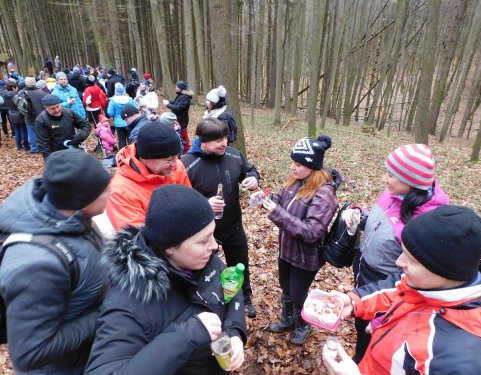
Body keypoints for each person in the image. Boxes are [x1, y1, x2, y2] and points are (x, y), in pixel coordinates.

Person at [86, 184, 246, 374]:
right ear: (169, 247)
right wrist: (186, 336)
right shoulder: (128, 301)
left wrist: (234, 331)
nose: (214, 246)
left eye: (212, 234)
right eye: (203, 240)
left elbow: (231, 289)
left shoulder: (203, 259)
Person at [322, 206, 481, 375]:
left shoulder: (458, 363)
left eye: (412, 260)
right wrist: (353, 301)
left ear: (444, 271)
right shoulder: (432, 282)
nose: (399, 262)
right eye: (403, 252)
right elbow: (399, 287)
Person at [0, 149, 111, 374]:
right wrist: (107, 314)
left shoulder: (75, 219)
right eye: (106, 191)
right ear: (82, 200)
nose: (112, 193)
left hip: (90, 356)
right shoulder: (37, 266)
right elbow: (30, 353)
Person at [342, 143, 449, 362]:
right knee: (362, 328)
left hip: (387, 285)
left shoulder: (427, 220)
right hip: (363, 270)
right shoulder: (394, 193)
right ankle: (360, 355)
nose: (385, 180)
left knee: (376, 336)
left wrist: (382, 320)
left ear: (411, 182)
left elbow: (416, 282)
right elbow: (384, 222)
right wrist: (361, 217)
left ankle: (364, 363)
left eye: (391, 176)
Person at [253, 135, 338, 344]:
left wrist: (277, 213)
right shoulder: (295, 182)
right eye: (292, 162)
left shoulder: (324, 194)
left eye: (298, 164)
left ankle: (303, 324)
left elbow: (312, 232)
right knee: (286, 286)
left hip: (306, 256)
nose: (292, 167)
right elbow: (280, 200)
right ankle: (288, 318)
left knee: (299, 294)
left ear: (312, 166)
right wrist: (264, 198)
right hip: (286, 249)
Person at [182, 118, 260, 318]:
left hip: (233, 226)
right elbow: (180, 200)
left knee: (239, 265)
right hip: (204, 234)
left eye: (225, 137)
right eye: (218, 140)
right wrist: (204, 204)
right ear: (203, 141)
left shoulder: (234, 156)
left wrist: (253, 178)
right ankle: (212, 303)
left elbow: (249, 170)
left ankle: (245, 299)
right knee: (208, 272)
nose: (224, 143)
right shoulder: (188, 165)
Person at [106, 121, 191, 229]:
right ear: (145, 158)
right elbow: (138, 240)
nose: (174, 164)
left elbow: (189, 204)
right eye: (168, 159)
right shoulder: (120, 192)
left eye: (176, 156)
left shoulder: (177, 167)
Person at [35, 94, 91, 160]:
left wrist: (81, 136)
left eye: (58, 106)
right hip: (57, 155)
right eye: (52, 108)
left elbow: (85, 125)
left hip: (73, 150)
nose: (57, 110)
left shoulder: (69, 112)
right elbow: (43, 145)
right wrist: (50, 161)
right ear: (45, 108)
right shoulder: (41, 120)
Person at [17, 76, 48, 153]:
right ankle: (42, 146)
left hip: (28, 116)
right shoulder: (42, 92)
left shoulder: (21, 93)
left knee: (31, 132)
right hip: (41, 116)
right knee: (41, 132)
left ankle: (34, 148)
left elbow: (17, 103)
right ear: (35, 83)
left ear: (26, 83)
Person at [164, 80, 193, 153]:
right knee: (178, 134)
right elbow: (176, 102)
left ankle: (186, 149)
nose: (175, 88)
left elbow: (178, 108)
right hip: (177, 119)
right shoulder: (180, 95)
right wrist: (169, 102)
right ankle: (180, 148)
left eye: (177, 87)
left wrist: (168, 105)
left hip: (182, 120)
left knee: (183, 134)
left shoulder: (185, 98)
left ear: (181, 88)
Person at [106, 82, 137, 149]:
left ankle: (122, 155)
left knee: (121, 140)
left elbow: (110, 113)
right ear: (123, 90)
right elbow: (136, 109)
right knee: (130, 139)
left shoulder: (113, 101)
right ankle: (131, 154)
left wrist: (116, 114)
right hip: (129, 122)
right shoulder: (129, 99)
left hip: (118, 123)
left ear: (115, 91)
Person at [3, 79, 30, 151]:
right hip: (19, 115)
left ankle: (18, 146)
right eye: (16, 87)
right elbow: (19, 105)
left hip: (11, 114)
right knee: (23, 130)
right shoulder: (15, 96)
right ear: (13, 88)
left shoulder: (5, 95)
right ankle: (26, 146)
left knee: (17, 130)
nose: (18, 89)